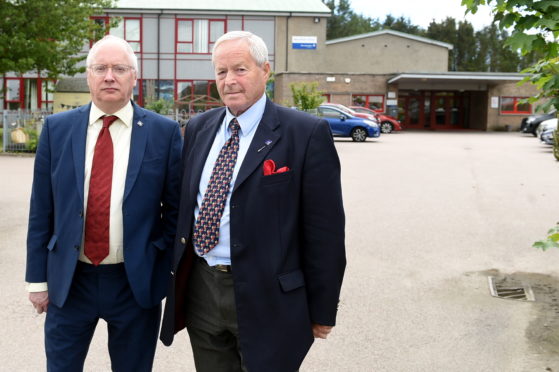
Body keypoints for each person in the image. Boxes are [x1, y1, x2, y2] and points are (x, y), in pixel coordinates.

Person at [160, 30, 346, 372]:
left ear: (266, 70)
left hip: (269, 296)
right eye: (221, 72)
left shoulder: (304, 134)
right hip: (202, 289)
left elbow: (325, 233)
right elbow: (184, 208)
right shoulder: (199, 128)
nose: (229, 80)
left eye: (240, 69)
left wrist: (323, 310)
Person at [25, 34, 182, 371]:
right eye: (101, 68)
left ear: (134, 77)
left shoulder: (163, 133)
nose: (110, 76)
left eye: (119, 68)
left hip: (134, 283)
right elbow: (42, 209)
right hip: (70, 280)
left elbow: (175, 211)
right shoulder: (57, 129)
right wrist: (37, 281)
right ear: (89, 76)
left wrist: (159, 269)